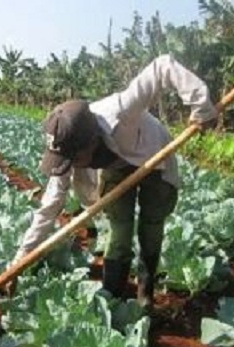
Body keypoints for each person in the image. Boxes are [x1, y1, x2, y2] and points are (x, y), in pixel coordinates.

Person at [13, 54, 218, 308]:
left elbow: (163, 65)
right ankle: (112, 296)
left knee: (151, 225)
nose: (68, 165)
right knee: (119, 229)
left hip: (154, 156)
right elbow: (50, 206)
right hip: (116, 167)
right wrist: (21, 259)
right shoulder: (68, 149)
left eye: (73, 158)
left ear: (90, 142)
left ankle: (146, 290)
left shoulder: (121, 110)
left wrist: (202, 106)